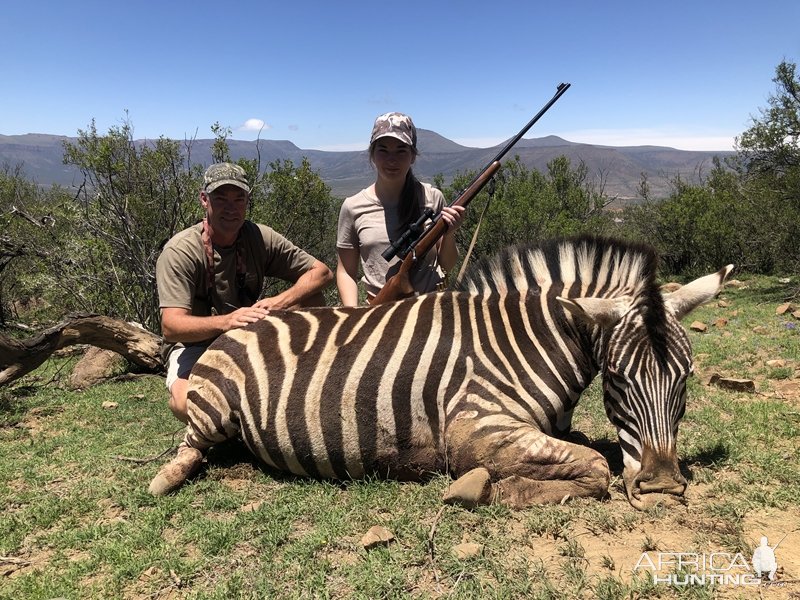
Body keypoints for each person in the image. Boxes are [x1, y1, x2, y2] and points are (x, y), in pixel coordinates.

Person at [156, 162, 333, 423]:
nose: (231, 208)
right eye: (221, 198)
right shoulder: (180, 251)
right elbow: (171, 327)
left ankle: (318, 379)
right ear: (204, 200)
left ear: (248, 201)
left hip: (249, 334)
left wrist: (278, 302)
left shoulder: (259, 236)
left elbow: (322, 273)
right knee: (186, 404)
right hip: (196, 344)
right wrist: (226, 321)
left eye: (239, 199)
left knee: (311, 298)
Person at [336, 112, 464, 306]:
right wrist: (353, 316)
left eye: (401, 150)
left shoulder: (432, 197)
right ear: (372, 154)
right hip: (380, 312)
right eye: (383, 150)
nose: (391, 160)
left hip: (431, 306)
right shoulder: (353, 207)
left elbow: (446, 264)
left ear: (413, 156)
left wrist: (450, 233)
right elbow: (345, 271)